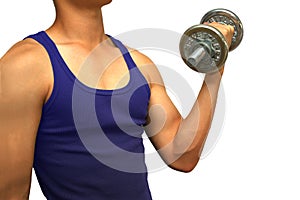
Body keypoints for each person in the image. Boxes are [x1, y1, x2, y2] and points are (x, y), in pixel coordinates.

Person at [0, 0, 234, 199]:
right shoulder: (25, 65)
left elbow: (181, 156)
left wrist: (214, 71)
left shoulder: (139, 63)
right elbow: (11, 193)